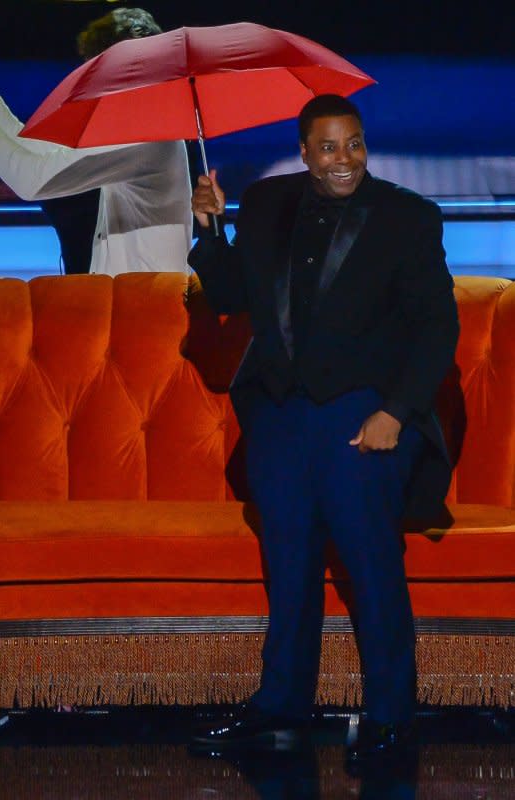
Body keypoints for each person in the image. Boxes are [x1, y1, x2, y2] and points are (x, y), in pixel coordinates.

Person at [188, 94, 459, 764]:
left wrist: (394, 414)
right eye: (331, 147)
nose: (346, 160)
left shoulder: (407, 216)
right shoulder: (267, 202)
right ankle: (280, 704)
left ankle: (393, 717)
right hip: (279, 414)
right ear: (305, 150)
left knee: (370, 569)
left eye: (356, 143)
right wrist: (211, 228)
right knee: (289, 567)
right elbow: (229, 298)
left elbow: (436, 328)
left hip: (360, 414)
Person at [0, 8, 192, 276]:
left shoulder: (141, 131)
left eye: (94, 68)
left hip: (148, 307)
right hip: (138, 299)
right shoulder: (140, 121)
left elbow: (31, 181)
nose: (89, 82)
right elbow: (41, 148)